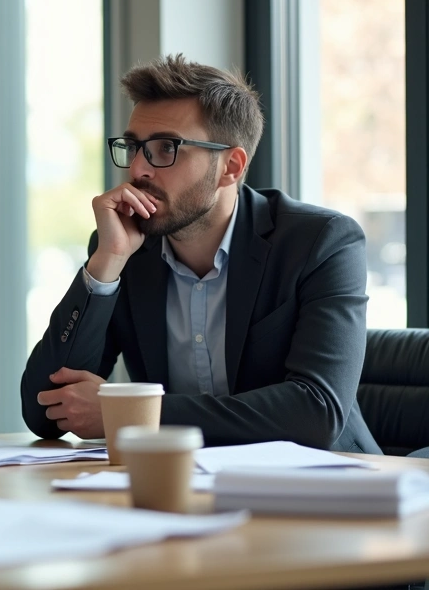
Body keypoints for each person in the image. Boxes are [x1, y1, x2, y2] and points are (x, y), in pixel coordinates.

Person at [20, 54, 380, 453]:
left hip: (330, 494)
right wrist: (105, 267)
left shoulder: (321, 243)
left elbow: (316, 413)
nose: (139, 169)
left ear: (231, 166)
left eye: (165, 148)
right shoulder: (124, 250)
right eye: (134, 147)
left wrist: (135, 414)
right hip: (178, 489)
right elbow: (44, 411)